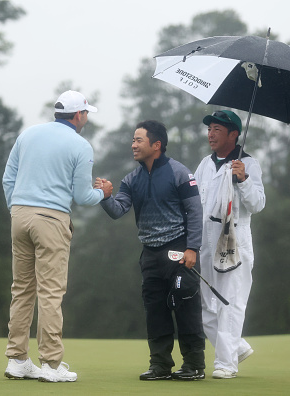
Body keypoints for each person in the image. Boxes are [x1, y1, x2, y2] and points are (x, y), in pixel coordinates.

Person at [2, 90, 112, 383]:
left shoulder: (28, 135)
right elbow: (82, 195)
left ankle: (17, 359)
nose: (86, 118)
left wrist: (16, 209)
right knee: (51, 291)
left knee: (22, 288)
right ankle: (51, 365)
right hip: (51, 220)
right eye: (86, 113)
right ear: (78, 116)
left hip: (20, 216)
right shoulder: (80, 145)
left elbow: (8, 178)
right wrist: (104, 192)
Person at [96, 120, 206, 381]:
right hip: (150, 254)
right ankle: (160, 366)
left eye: (139, 140)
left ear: (156, 145)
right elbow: (117, 211)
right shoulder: (131, 179)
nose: (133, 145)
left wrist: (192, 248)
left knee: (186, 306)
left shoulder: (180, 173)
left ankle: (194, 365)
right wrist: (105, 196)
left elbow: (194, 211)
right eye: (133, 140)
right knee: (155, 309)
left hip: (179, 251)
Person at [194, 110, 266, 379]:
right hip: (204, 243)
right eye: (209, 129)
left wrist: (243, 179)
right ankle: (237, 347)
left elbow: (257, 204)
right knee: (203, 305)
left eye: (217, 129)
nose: (210, 134)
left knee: (230, 303)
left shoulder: (248, 163)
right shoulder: (204, 164)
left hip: (234, 242)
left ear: (233, 134)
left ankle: (226, 364)